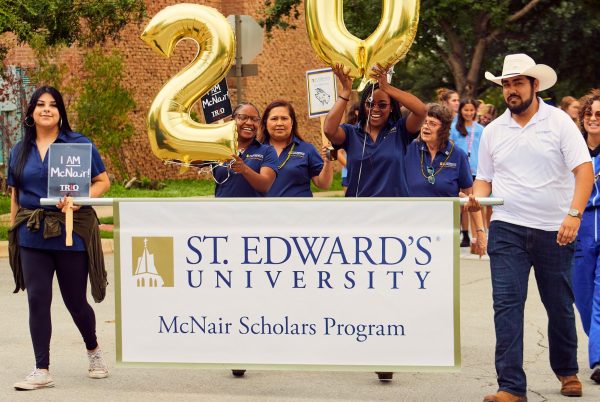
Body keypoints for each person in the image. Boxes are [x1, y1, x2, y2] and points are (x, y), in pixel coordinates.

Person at [465, 54, 593, 402]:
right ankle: (510, 387)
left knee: (559, 304)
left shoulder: (559, 123)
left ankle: (567, 370)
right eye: (506, 84)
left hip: (556, 228)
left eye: (518, 83)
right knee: (506, 305)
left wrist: (574, 215)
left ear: (535, 85)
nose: (511, 90)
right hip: (507, 228)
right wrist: (478, 201)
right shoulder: (492, 131)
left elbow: (584, 171)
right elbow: (484, 180)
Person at [7, 86, 111, 390]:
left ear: (60, 111)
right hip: (32, 232)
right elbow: (16, 192)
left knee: (75, 301)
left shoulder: (78, 144)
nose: (46, 109)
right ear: (31, 112)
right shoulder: (19, 149)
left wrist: (82, 198)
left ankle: (93, 349)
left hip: (70, 231)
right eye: (40, 105)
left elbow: (102, 181)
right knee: (38, 299)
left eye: (53, 105)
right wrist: (14, 227)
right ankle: (41, 368)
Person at [324, 63, 427, 198]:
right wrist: (346, 91)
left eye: (382, 105)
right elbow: (329, 130)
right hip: (361, 212)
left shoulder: (400, 130)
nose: (375, 109)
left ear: (391, 108)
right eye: (369, 104)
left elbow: (421, 110)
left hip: (395, 211)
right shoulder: (351, 133)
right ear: (363, 105)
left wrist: (387, 88)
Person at [405, 103, 487, 255]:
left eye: (433, 124)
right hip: (411, 229)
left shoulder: (458, 155)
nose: (425, 127)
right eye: (424, 122)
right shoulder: (409, 149)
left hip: (444, 231)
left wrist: (480, 231)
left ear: (444, 129)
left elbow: (470, 198)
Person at [572, 91, 600, 384]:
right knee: (582, 297)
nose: (593, 119)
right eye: (588, 114)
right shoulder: (573, 151)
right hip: (580, 225)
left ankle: (599, 358)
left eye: (599, 115)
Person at [261, 100, 333, 196]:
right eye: (274, 119)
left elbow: (323, 184)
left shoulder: (307, 149)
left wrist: (328, 162)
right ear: (266, 123)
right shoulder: (255, 150)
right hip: (265, 210)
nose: (279, 123)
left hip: (300, 210)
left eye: (284, 118)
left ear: (292, 122)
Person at [212, 103, 277, 198]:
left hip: (253, 211)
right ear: (232, 121)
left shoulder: (267, 151)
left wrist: (244, 169)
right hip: (222, 210)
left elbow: (265, 185)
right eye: (243, 117)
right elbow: (191, 160)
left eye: (254, 119)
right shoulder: (220, 148)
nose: (249, 123)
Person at [451, 98, 486, 251]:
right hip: (459, 169)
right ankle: (463, 233)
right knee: (462, 205)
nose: (469, 113)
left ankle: (480, 233)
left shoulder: (481, 129)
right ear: (461, 110)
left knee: (477, 203)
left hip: (476, 170)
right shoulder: (454, 127)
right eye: (466, 110)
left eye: (472, 110)